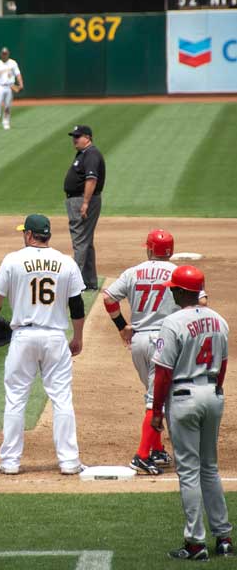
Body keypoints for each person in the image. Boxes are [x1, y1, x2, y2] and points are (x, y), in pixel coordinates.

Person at [0, 213, 86, 475]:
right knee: (62, 398)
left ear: (30, 235)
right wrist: (77, 337)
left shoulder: (13, 260)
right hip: (55, 338)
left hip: (23, 338)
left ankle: (10, 462)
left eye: (24, 232)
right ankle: (69, 461)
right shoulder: (66, 263)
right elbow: (76, 305)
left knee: (16, 399)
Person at [103, 230, 208, 476]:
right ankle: (141, 456)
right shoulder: (177, 273)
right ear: (170, 251)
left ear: (149, 249)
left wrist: (122, 327)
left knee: (155, 393)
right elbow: (201, 303)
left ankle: (157, 448)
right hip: (166, 340)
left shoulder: (133, 272)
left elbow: (108, 298)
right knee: (156, 398)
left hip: (138, 341)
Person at [151, 265, 233, 561]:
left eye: (174, 288)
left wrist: (157, 411)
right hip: (213, 394)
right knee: (210, 467)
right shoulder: (219, 320)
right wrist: (215, 389)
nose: (172, 290)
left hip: (184, 397)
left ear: (182, 292)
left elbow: (163, 373)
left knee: (188, 471)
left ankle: (195, 543)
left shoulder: (172, 323)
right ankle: (223, 538)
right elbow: (222, 365)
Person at [63, 125, 105, 290]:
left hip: (83, 200)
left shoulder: (91, 154)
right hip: (80, 199)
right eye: (74, 136)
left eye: (78, 136)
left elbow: (92, 179)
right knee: (85, 241)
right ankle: (89, 282)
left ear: (87, 137)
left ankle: (74, 283)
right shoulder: (85, 153)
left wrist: (85, 202)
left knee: (80, 240)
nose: (74, 139)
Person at [0, 46, 23, 130]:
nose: (4, 55)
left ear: (8, 54)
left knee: (7, 106)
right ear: (1, 54)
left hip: (10, 87)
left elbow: (18, 74)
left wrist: (21, 84)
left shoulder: (13, 63)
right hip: (0, 86)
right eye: (3, 54)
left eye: (5, 54)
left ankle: (6, 123)